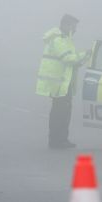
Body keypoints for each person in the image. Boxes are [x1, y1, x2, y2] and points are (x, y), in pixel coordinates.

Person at [36, 14, 89, 149]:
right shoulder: (58, 40)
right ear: (66, 25)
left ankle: (62, 139)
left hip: (65, 84)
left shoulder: (66, 39)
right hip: (58, 84)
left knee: (65, 112)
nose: (75, 29)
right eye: (74, 26)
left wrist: (81, 59)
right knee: (59, 112)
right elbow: (68, 58)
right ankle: (55, 140)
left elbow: (72, 61)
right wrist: (87, 54)